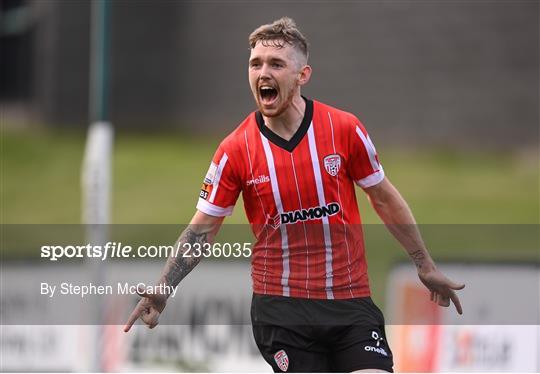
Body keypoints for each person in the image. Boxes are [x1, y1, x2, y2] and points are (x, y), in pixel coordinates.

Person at [124, 17, 465, 373]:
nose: (263, 72)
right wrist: (163, 287)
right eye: (255, 64)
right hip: (282, 311)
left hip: (349, 301)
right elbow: (201, 230)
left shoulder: (343, 129)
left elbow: (383, 197)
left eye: (276, 64)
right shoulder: (235, 150)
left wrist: (424, 264)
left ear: (302, 75)